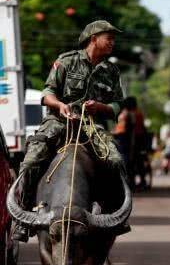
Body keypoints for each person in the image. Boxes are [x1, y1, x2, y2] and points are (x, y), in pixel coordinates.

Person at [12, 20, 126, 242]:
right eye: (108, 37)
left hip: (92, 125)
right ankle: (23, 220)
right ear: (93, 39)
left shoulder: (111, 70)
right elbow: (47, 94)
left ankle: (115, 217)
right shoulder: (66, 61)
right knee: (32, 159)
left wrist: (100, 107)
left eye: (113, 38)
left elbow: (117, 105)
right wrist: (60, 105)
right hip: (59, 121)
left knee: (115, 160)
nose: (112, 42)